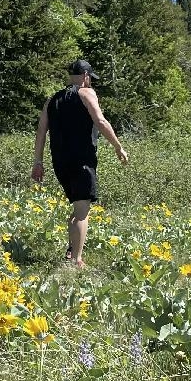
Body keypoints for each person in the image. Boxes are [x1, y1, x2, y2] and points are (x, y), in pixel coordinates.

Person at [32, 60, 129, 266]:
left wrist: (38, 162)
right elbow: (101, 121)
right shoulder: (86, 93)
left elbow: (41, 132)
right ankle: (76, 261)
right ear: (86, 76)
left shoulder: (52, 100)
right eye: (90, 80)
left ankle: (71, 250)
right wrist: (118, 147)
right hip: (82, 161)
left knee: (78, 207)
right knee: (82, 213)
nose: (91, 83)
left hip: (60, 162)